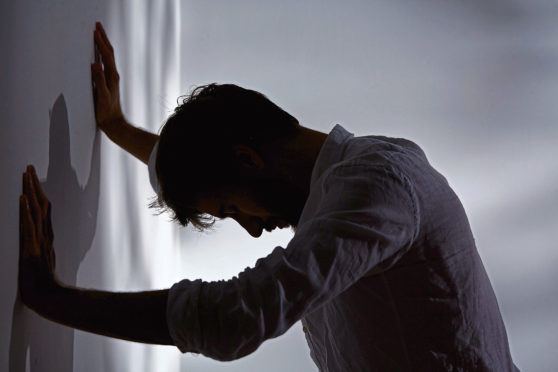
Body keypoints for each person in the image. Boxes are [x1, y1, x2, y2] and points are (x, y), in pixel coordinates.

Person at [18, 21, 519, 371]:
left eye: (234, 210)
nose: (254, 228)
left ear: (250, 159)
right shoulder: (343, 188)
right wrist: (118, 128)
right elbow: (215, 167)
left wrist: (52, 299)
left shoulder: (377, 188)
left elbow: (236, 316)